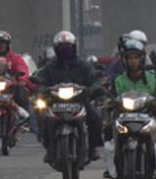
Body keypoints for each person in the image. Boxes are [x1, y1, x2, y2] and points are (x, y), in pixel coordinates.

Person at [32, 30, 104, 161]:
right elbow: (40, 79)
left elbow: (93, 80)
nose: (65, 51)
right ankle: (49, 148)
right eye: (62, 48)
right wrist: (41, 89)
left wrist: (93, 89)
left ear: (74, 48)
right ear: (56, 50)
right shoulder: (50, 67)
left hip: (80, 102)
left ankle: (93, 148)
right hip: (56, 103)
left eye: (68, 48)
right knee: (43, 117)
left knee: (95, 119)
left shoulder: (84, 65)